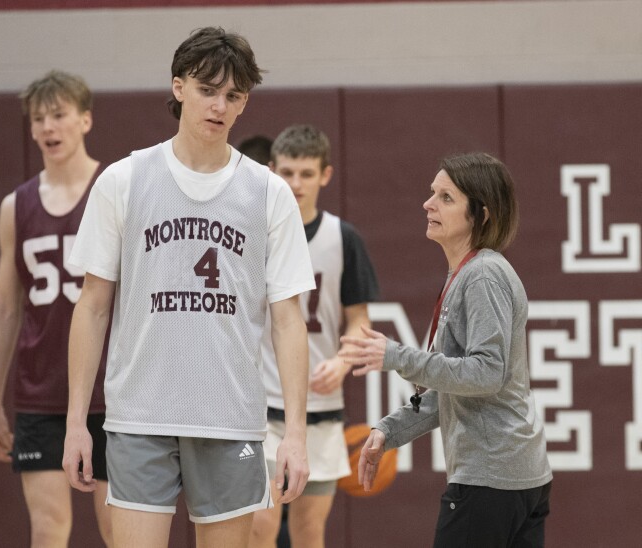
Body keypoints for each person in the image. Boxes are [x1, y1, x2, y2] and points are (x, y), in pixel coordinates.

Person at [63, 27, 314, 548]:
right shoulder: (123, 180)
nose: (219, 105)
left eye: (234, 96)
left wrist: (295, 432)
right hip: (139, 414)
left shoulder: (269, 194)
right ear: (178, 87)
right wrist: (75, 422)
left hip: (231, 419)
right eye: (207, 90)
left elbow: (288, 319)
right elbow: (91, 308)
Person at [341, 152, 553, 547]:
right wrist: (388, 432)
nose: (428, 204)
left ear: (481, 215)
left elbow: (486, 374)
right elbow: (454, 390)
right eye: (432, 193)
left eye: (446, 197)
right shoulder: (470, 273)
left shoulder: (483, 275)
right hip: (516, 477)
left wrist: (396, 356)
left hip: (490, 480)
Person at [0, 70, 112, 548]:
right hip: (40, 390)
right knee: (47, 526)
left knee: (117, 528)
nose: (48, 127)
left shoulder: (113, 189)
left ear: (85, 120)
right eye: (38, 118)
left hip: (108, 389)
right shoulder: (14, 206)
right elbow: (3, 309)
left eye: (58, 115)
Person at [250, 124, 380, 548]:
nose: (295, 183)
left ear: (325, 175)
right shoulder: (253, 234)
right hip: (258, 405)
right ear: (271, 172)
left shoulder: (343, 239)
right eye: (286, 173)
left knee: (309, 532)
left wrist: (343, 363)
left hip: (320, 407)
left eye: (306, 174)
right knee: (259, 527)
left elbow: (359, 318)